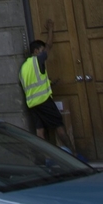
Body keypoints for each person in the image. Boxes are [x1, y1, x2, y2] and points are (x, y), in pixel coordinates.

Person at [19, 18, 76, 151]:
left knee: (40, 132)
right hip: (44, 101)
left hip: (32, 104)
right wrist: (50, 29)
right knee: (59, 127)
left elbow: (33, 82)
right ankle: (73, 155)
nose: (43, 51)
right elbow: (49, 46)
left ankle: (43, 160)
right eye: (41, 49)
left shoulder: (23, 68)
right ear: (36, 51)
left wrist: (49, 82)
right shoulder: (38, 60)